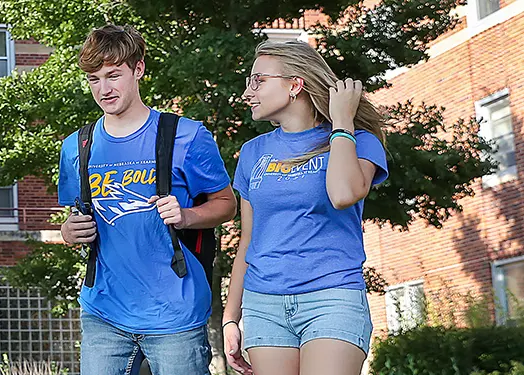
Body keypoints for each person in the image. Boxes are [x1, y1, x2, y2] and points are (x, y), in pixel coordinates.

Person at [57, 25, 237, 375]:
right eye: (94, 79)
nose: (104, 89)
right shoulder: (76, 146)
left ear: (138, 69)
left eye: (113, 75)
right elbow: (74, 223)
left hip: (175, 312)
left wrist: (185, 216)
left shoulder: (186, 135)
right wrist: (68, 232)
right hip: (103, 313)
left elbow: (227, 204)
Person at [222, 40, 389, 375]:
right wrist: (230, 318)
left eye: (259, 81)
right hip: (264, 303)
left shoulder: (359, 141)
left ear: (295, 85)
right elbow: (248, 240)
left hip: (332, 298)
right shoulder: (253, 153)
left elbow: (343, 194)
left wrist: (343, 122)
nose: (247, 92)